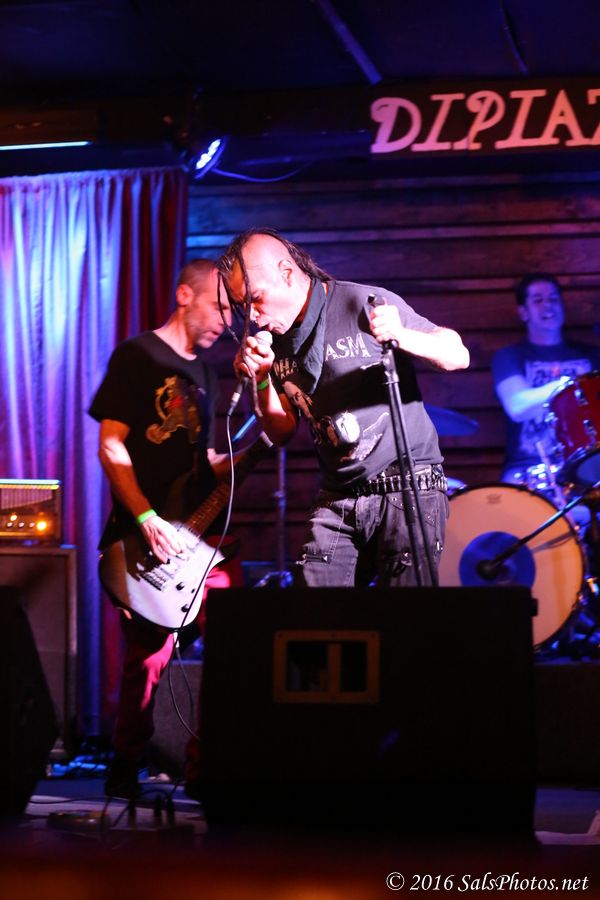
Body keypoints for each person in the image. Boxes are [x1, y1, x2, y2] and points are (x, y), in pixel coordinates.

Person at [219, 228, 470, 589]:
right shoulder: (275, 341)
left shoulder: (359, 301)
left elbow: (457, 354)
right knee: (317, 611)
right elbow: (281, 431)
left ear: (286, 273)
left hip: (407, 486)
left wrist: (402, 335)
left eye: (256, 299)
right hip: (339, 494)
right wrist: (261, 380)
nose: (253, 316)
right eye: (242, 306)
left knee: (407, 617)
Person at [89, 258, 242, 800]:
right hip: (145, 538)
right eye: (220, 306)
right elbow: (111, 446)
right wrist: (146, 518)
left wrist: (250, 451)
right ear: (184, 295)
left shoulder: (208, 373)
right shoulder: (137, 356)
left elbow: (206, 460)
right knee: (149, 658)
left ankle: (205, 771)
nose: (228, 319)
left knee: (234, 642)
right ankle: (126, 764)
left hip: (200, 540)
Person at [492, 273, 600, 489]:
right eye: (538, 300)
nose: (548, 305)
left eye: (553, 299)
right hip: (527, 468)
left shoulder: (591, 355)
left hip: (588, 464)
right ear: (524, 312)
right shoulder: (509, 356)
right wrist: (569, 384)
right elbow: (517, 406)